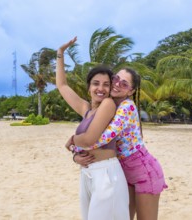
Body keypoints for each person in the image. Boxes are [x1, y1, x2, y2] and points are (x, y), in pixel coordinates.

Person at [68, 68, 168, 220]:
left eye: (124, 84)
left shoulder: (127, 106)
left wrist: (75, 144)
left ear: (131, 91)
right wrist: (76, 155)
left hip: (144, 171)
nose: (117, 84)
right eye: (115, 79)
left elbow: (104, 137)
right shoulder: (108, 105)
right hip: (123, 171)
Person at [56, 37, 129, 220]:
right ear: (88, 86)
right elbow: (62, 85)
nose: (101, 89)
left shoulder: (108, 104)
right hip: (87, 174)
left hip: (106, 174)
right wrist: (60, 53)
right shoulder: (86, 110)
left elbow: (89, 140)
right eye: (96, 83)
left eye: (106, 85)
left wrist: (73, 140)